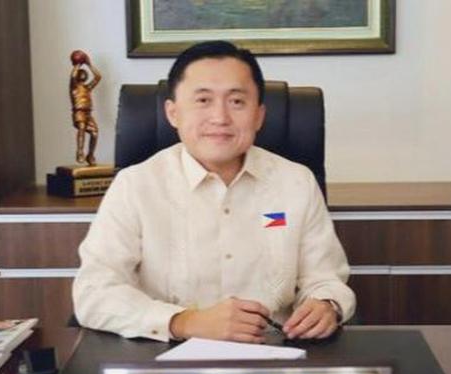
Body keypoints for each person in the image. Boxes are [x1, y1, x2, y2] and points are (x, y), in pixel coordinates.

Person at [72, 41, 355, 343]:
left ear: (259, 115)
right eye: (203, 100)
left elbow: (325, 279)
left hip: (275, 352)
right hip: (167, 355)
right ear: (173, 113)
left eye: (237, 101)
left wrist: (326, 304)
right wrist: (183, 322)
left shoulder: (296, 182)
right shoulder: (135, 186)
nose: (220, 117)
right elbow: (94, 293)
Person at [69, 50, 102, 166]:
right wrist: (78, 64)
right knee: (81, 128)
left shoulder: (87, 88)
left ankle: (90, 155)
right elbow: (73, 76)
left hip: (88, 113)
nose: (83, 74)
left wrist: (89, 64)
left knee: (95, 133)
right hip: (79, 112)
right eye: (81, 73)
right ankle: (80, 152)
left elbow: (98, 77)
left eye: (84, 73)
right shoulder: (74, 87)